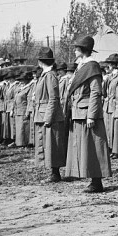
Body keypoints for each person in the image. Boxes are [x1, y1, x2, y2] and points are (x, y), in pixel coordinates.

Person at [65, 36, 112, 193]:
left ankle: (96, 182)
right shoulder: (82, 65)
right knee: (86, 148)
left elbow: (95, 92)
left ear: (83, 51)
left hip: (87, 114)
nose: (74, 50)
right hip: (79, 112)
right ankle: (92, 179)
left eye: (77, 48)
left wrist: (91, 115)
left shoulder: (92, 66)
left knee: (93, 148)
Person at [33, 48, 67, 183]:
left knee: (52, 145)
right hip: (43, 113)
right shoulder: (45, 75)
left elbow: (54, 98)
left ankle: (55, 174)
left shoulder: (50, 75)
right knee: (47, 145)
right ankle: (53, 173)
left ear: (41, 61)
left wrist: (48, 117)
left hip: (49, 115)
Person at [103, 53, 118, 152]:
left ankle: (114, 148)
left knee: (114, 128)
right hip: (108, 104)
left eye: (110, 64)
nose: (108, 66)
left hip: (115, 104)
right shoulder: (110, 76)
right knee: (108, 127)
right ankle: (110, 147)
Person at [13, 69, 33, 148]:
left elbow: (29, 100)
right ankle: (19, 143)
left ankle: (25, 143)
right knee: (19, 128)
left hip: (24, 109)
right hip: (18, 110)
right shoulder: (19, 88)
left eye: (23, 80)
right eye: (20, 80)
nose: (21, 82)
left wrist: (28, 111)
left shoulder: (29, 88)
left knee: (24, 128)